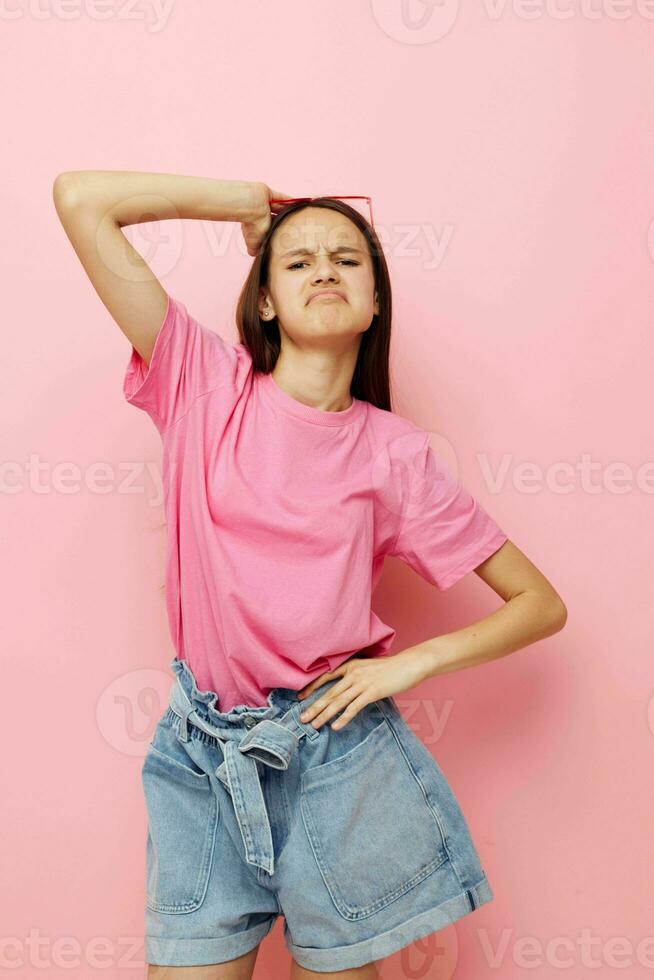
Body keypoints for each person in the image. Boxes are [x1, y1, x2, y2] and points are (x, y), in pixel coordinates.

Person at [52, 172, 567, 980]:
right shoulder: (201, 385)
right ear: (263, 302)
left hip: (338, 764)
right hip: (202, 758)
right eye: (296, 263)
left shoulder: (394, 454)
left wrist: (409, 664)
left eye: (346, 259)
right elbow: (81, 199)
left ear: (373, 302)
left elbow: (540, 604)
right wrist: (247, 207)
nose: (324, 268)